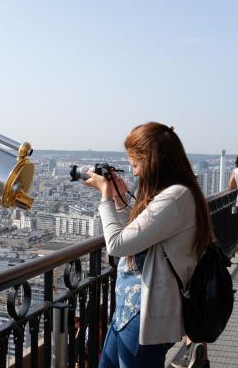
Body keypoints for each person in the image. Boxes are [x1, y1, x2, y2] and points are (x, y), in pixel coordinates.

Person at [85, 123, 215, 368]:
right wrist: (118, 196)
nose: (134, 173)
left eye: (135, 164)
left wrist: (104, 195)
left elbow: (116, 244)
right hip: (129, 307)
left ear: (153, 160)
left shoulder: (175, 197)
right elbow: (137, 237)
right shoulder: (173, 194)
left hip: (146, 313)